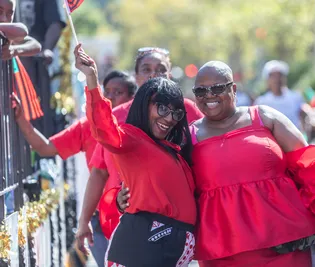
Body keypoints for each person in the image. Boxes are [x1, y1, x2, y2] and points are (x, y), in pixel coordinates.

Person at [117, 61, 315, 266]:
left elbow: (310, 166)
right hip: (223, 249)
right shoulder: (186, 136)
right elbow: (162, 177)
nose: (209, 96)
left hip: (285, 242)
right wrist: (125, 197)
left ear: (233, 89)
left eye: (217, 88)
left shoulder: (264, 116)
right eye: (201, 91)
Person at [75, 44, 197, 267]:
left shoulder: (169, 146)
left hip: (164, 246)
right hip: (145, 241)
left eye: (175, 112)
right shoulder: (132, 137)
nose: (169, 118)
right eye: (161, 108)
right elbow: (103, 130)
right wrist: (92, 79)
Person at [12, 69, 137, 267]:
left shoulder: (140, 126)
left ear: (132, 98)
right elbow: (45, 148)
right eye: (107, 92)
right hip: (100, 217)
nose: (111, 97)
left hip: (134, 215)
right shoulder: (88, 126)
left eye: (118, 92)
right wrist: (21, 119)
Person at [18, 0, 67, 137]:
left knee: (30, 59)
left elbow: (55, 24)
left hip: (35, 55)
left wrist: (46, 49)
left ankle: (39, 133)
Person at [254, 60, 304, 130]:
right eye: (273, 76)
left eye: (280, 75)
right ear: (267, 80)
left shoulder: (296, 97)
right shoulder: (261, 102)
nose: (277, 79)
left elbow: (304, 117)